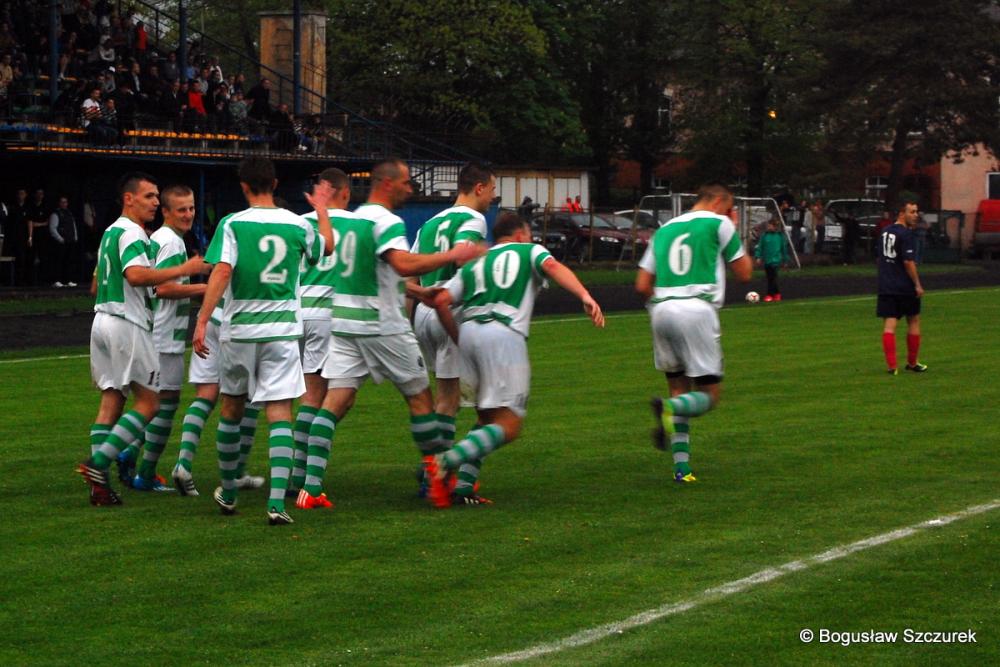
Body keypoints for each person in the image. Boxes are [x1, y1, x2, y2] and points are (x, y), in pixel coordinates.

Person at [294, 158, 484, 509]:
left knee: (336, 401)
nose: (410, 189)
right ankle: (438, 482)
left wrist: (415, 292)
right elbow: (402, 263)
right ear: (386, 184)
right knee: (421, 401)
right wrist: (452, 253)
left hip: (345, 321)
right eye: (406, 183)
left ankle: (311, 487)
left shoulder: (354, 220)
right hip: (382, 325)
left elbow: (375, 271)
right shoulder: (386, 221)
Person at [424, 212, 604, 507]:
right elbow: (552, 266)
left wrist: (459, 336)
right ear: (520, 234)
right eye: (529, 235)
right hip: (504, 334)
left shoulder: (476, 261)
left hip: (469, 333)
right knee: (509, 425)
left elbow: (441, 300)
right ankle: (444, 462)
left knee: (486, 417)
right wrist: (584, 294)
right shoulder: (529, 250)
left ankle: (464, 487)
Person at [192, 157, 334, 525]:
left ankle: (229, 489)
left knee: (231, 409)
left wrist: (204, 318)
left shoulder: (232, 224)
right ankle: (275, 504)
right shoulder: (295, 224)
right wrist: (320, 212)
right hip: (283, 331)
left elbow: (222, 271)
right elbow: (325, 249)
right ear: (275, 182)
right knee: (280, 413)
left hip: (240, 330)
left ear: (243, 186)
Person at [76, 173, 209, 506]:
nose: (154, 202)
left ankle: (100, 488)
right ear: (129, 199)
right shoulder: (133, 232)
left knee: (111, 401)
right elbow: (137, 277)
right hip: (127, 324)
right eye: (149, 196)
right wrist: (186, 269)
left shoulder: (110, 232)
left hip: (102, 320)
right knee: (150, 403)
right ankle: (100, 462)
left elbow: (95, 284)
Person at [634, 183, 752, 483]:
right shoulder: (719, 222)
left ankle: (682, 469)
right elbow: (745, 273)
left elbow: (642, 284)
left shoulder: (664, 229)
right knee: (709, 395)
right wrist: (734, 228)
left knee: (678, 386)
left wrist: (661, 307)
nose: (730, 214)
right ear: (717, 202)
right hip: (696, 309)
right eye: (729, 208)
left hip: (661, 310)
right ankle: (668, 408)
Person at [408, 162, 494, 498]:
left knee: (447, 398)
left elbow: (410, 277)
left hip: (423, 312)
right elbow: (464, 259)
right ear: (479, 187)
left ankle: (433, 466)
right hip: (451, 309)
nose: (493, 196)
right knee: (465, 400)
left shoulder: (429, 223)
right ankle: (441, 476)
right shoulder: (472, 219)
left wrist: (408, 324)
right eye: (492, 188)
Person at [122, 185, 209, 492]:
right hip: (163, 336)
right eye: (182, 209)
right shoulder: (171, 242)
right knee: (165, 405)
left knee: (156, 403)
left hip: (156, 333)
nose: (189, 214)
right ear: (166, 212)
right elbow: (163, 289)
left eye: (192, 208)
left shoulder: (161, 238)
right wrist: (205, 289)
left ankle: (130, 456)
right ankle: (142, 470)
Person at [287, 167, 351, 502]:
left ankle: (296, 475)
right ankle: (308, 481)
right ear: (346, 192)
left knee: (306, 395)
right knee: (334, 397)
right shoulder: (354, 224)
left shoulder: (298, 222)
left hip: (298, 313)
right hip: (331, 315)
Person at [877, 201, 927, 375]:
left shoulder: (885, 232)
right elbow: (908, 261)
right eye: (912, 212)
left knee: (889, 325)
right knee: (913, 320)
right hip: (904, 285)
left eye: (916, 212)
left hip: (886, 284)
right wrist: (917, 284)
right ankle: (912, 363)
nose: (915, 215)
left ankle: (892, 367)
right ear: (901, 213)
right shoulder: (906, 235)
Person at [753, 217, 789, 302]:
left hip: (776, 261)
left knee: (772, 278)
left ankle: (769, 295)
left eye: (770, 226)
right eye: (768, 226)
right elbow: (760, 247)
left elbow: (784, 249)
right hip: (767, 260)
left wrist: (785, 260)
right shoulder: (764, 236)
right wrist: (758, 257)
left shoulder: (780, 236)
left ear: (775, 227)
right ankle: (777, 294)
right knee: (770, 278)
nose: (768, 227)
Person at [48, 196, 79, 287]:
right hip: (61, 242)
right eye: (62, 202)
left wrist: (75, 236)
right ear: (59, 203)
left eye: (65, 202)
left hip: (70, 241)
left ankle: (68, 280)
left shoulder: (69, 213)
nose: (64, 204)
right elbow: (52, 228)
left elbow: (73, 226)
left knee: (69, 261)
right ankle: (57, 280)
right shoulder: (56, 214)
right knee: (59, 261)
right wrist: (60, 239)